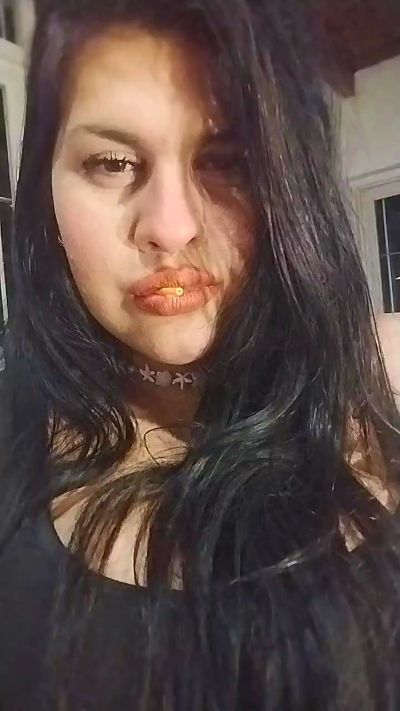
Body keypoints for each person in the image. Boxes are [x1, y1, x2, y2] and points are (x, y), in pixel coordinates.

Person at [0, 0, 400, 709]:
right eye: (112, 163)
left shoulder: (384, 383)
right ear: (45, 191)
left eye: (226, 161)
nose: (170, 227)